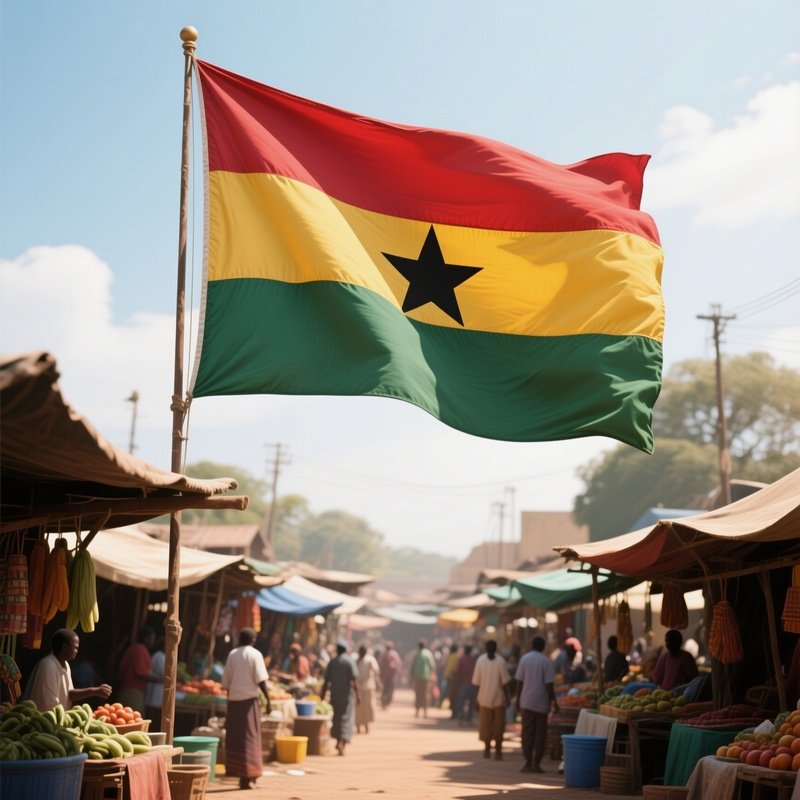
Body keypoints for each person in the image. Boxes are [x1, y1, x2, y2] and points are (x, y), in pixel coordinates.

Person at [221, 627, 271, 790]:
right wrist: (268, 701)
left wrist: (229, 701)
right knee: (250, 738)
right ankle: (249, 775)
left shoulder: (232, 655)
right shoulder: (255, 654)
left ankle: (243, 775)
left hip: (235, 702)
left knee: (236, 739)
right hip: (249, 702)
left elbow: (226, 683)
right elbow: (261, 680)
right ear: (252, 640)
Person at [25, 628, 112, 711]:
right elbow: (47, 706)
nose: (76, 651)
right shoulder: (48, 665)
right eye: (75, 648)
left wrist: (95, 691)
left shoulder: (65, 664)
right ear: (65, 647)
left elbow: (69, 694)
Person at [516, 635, 559, 774]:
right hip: (541, 703)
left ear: (532, 645)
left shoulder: (525, 659)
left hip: (526, 701)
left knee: (527, 733)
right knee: (540, 734)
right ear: (543, 646)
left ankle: (528, 762)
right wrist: (554, 701)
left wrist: (517, 699)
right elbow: (549, 684)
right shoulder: (545, 661)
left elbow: (519, 682)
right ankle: (536, 764)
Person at [472, 639, 511, 760]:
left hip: (498, 698)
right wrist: (475, 700)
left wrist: (507, 697)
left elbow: (504, 683)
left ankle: (498, 750)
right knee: (485, 725)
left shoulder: (500, 662)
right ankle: (487, 748)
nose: (490, 649)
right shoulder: (481, 661)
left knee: (499, 726)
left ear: (495, 648)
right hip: (484, 698)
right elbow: (477, 683)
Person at [322, 641, 359, 755]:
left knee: (337, 718)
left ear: (337, 650)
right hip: (346, 696)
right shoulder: (349, 661)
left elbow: (326, 680)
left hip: (335, 695)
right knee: (346, 719)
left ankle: (338, 740)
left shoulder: (332, 662)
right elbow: (354, 680)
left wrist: (322, 695)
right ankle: (342, 742)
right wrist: (358, 695)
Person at [117, 626, 161, 713]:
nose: (153, 641)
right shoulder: (140, 649)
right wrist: (160, 679)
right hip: (134, 692)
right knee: (135, 721)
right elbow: (141, 672)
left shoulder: (133, 648)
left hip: (127, 689)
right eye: (152, 639)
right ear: (146, 639)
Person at [355, 644, 381, 734]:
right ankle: (361, 727)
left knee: (363, 707)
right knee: (364, 707)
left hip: (364, 687)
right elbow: (376, 671)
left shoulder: (359, 660)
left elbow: (376, 671)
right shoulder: (368, 660)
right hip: (363, 687)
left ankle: (364, 727)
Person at [410, 639, 436, 718]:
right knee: (424, 695)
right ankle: (425, 712)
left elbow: (412, 667)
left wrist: (411, 677)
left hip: (417, 677)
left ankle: (417, 712)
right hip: (425, 677)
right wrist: (433, 677)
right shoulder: (428, 654)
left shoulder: (416, 654)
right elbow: (432, 666)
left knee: (418, 695)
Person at [145, 635, 165, 730]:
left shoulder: (161, 656)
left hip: (158, 689)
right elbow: (163, 673)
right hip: (155, 689)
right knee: (153, 713)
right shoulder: (159, 656)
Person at [454, 645, 477, 725]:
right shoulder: (472, 660)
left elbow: (457, 671)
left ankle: (461, 718)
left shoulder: (462, 659)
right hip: (471, 684)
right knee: (470, 702)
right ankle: (468, 718)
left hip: (464, 683)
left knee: (461, 701)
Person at [379, 641, 401, 709]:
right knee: (386, 689)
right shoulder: (386, 654)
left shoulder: (390, 654)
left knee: (388, 690)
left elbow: (397, 664)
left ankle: (387, 701)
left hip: (390, 676)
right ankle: (384, 702)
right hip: (387, 676)